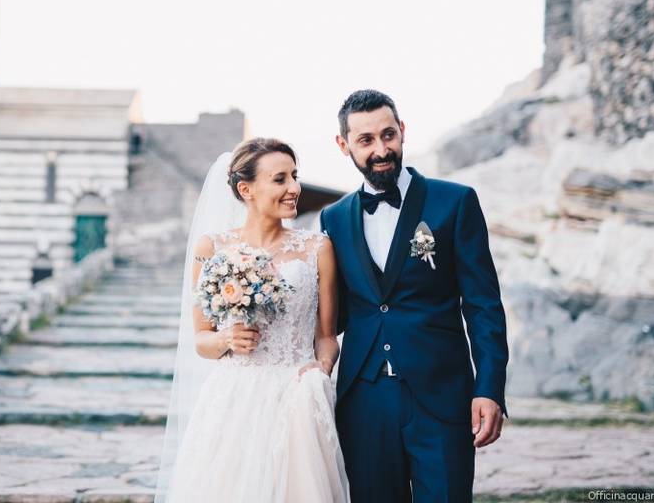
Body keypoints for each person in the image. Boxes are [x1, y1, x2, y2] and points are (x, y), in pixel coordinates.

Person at [320, 89, 509, 503]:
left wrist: (490, 387)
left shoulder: (455, 202)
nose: (381, 149)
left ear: (402, 131)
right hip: (364, 401)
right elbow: (331, 315)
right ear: (344, 145)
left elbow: (483, 306)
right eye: (365, 140)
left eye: (388, 135)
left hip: (441, 396)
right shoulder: (332, 219)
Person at [155, 138, 350, 503]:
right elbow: (201, 339)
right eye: (280, 179)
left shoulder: (318, 248)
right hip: (235, 399)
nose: (294, 188)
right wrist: (227, 339)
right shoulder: (211, 249)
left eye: (295, 176)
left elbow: (326, 335)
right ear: (246, 189)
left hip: (297, 397)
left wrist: (320, 371)